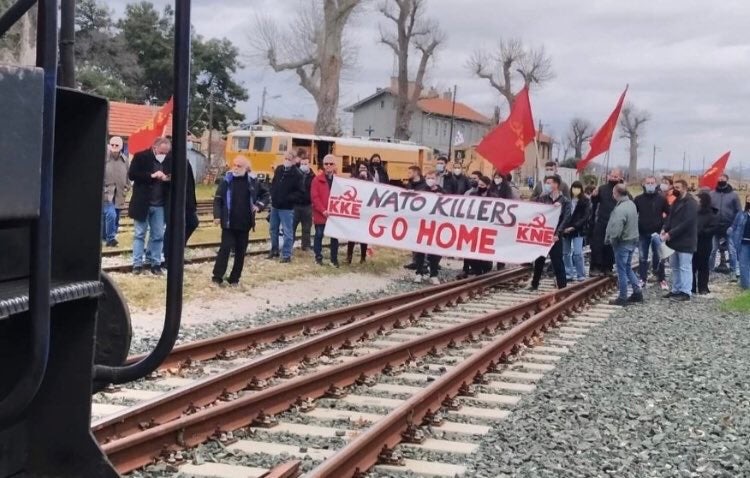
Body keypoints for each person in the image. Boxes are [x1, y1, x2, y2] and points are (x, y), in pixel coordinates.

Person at [211, 156, 269, 286]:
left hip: (244, 223)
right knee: (225, 248)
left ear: (246, 168)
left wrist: (259, 205)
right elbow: (218, 199)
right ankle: (217, 277)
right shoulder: (227, 180)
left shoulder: (253, 181)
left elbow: (265, 195)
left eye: (239, 166)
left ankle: (234, 278)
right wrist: (217, 216)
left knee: (240, 251)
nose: (236, 168)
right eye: (235, 165)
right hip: (228, 223)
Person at [128, 137, 172, 275]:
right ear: (155, 147)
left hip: (160, 205)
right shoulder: (141, 157)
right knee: (140, 234)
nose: (164, 155)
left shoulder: (169, 160)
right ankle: (137, 264)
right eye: (162, 152)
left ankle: (155, 263)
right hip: (143, 203)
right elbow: (132, 175)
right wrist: (151, 175)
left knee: (158, 235)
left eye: (166, 152)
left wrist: (167, 178)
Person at [529, 175, 571, 290]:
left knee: (557, 260)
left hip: (555, 235)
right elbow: (532, 207)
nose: (547, 185)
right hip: (543, 234)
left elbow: (566, 218)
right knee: (539, 259)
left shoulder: (565, 201)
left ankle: (562, 286)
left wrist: (558, 233)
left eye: (549, 182)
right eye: (546, 182)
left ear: (556, 184)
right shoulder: (543, 198)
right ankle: (535, 283)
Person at [605, 184, 642, 306]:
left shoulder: (620, 209)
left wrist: (612, 240)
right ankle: (637, 291)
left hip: (623, 242)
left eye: (613, 192)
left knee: (621, 270)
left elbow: (616, 228)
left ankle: (622, 297)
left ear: (616, 193)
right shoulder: (631, 204)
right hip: (632, 240)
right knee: (627, 267)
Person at [661, 180, 698, 302]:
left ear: (685, 188)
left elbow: (687, 223)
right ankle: (676, 289)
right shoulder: (676, 201)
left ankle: (686, 291)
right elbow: (670, 218)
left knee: (685, 267)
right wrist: (664, 229)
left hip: (686, 240)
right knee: (675, 266)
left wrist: (670, 233)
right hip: (674, 241)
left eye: (678, 187)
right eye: (674, 187)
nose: (674, 189)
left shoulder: (691, 203)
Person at [633, 176, 670, 289]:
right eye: (648, 183)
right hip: (642, 232)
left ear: (656, 184)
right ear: (644, 184)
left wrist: (664, 227)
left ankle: (662, 279)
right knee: (642, 257)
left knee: (659, 256)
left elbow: (669, 214)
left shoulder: (661, 199)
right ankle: (642, 279)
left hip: (657, 233)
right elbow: (634, 214)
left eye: (652, 183)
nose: (650, 185)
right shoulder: (638, 199)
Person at [269, 151, 303, 263]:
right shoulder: (279, 169)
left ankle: (286, 254)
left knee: (287, 231)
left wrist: (288, 198)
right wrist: (273, 194)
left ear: (293, 161)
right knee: (273, 229)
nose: (287, 160)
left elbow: (300, 192)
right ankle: (274, 250)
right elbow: (274, 183)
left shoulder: (297, 174)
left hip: (287, 208)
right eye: (286, 158)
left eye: (289, 159)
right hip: (275, 206)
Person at [590, 168, 623, 276]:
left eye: (616, 176)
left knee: (610, 246)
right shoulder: (602, 189)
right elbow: (594, 203)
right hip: (602, 221)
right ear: (608, 176)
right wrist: (594, 196)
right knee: (598, 245)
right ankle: (596, 267)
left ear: (620, 178)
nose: (614, 178)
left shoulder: (622, 190)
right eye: (612, 176)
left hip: (615, 222)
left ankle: (608, 267)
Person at [411, 170, 442, 284]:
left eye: (432, 178)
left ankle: (433, 274)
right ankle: (419, 273)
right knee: (420, 251)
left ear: (437, 179)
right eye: (428, 178)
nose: (430, 180)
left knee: (435, 251)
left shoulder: (442, 192)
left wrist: (442, 198)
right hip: (423, 225)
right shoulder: (421, 191)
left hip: (437, 226)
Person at [311, 154, 340, 267]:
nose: (328, 166)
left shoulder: (339, 181)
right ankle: (318, 257)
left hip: (334, 215)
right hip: (321, 214)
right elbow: (315, 197)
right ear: (323, 165)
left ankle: (334, 259)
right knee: (319, 235)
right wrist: (323, 210)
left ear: (334, 165)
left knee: (334, 238)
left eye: (331, 163)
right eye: (326, 164)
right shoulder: (317, 180)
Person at [710, 174, 741, 280]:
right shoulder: (712, 194)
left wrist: (733, 226)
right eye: (719, 179)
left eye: (723, 179)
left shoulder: (734, 195)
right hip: (715, 227)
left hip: (729, 227)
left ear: (727, 180)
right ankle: (709, 270)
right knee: (712, 250)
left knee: (732, 250)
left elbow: (739, 212)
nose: (721, 180)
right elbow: (709, 209)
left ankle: (733, 271)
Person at [102, 136, 129, 247]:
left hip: (119, 192)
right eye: (112, 145)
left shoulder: (125, 160)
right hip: (106, 192)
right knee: (110, 214)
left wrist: (128, 186)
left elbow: (127, 174)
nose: (114, 147)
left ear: (121, 147)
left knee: (116, 217)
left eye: (116, 145)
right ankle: (111, 238)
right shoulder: (104, 158)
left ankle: (106, 237)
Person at [562, 181, 591, 282]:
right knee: (565, 253)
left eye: (578, 188)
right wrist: (563, 227)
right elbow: (563, 214)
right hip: (565, 230)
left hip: (578, 230)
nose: (575, 190)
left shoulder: (585, 201)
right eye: (574, 187)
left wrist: (574, 227)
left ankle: (580, 274)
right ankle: (568, 273)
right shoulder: (567, 200)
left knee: (578, 253)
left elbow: (585, 217)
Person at [692, 191, 719, 295]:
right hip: (693, 242)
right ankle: (692, 287)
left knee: (703, 266)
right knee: (692, 266)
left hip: (705, 243)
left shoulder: (712, 214)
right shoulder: (694, 212)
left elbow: (713, 229)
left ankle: (703, 287)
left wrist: (701, 231)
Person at [346, 162, 370, 264]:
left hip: (365, 212)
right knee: (351, 235)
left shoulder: (370, 180)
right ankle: (349, 257)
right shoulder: (353, 179)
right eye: (361, 168)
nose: (362, 169)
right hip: (355, 210)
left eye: (364, 168)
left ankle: (363, 257)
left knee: (363, 236)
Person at [293, 156, 314, 251]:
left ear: (309, 165)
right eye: (302, 164)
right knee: (292, 227)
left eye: (305, 164)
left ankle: (306, 246)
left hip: (307, 206)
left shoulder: (313, 177)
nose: (303, 166)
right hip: (296, 205)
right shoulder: (296, 175)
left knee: (306, 228)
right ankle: (289, 244)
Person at [730, 194, 750, 290]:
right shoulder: (741, 214)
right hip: (744, 243)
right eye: (748, 199)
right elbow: (734, 227)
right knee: (743, 264)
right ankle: (746, 286)